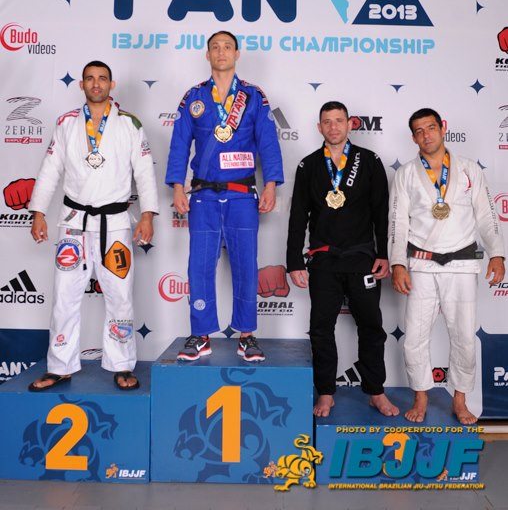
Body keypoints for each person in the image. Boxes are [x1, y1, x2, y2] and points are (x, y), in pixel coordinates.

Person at [28, 60, 159, 391]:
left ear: (112, 85)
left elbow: (144, 171)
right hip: (73, 223)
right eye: (90, 78)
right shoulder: (67, 124)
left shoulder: (129, 124)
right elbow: (50, 169)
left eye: (102, 79)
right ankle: (59, 366)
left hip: (114, 224)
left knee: (120, 296)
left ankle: (121, 364)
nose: (96, 83)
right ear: (82, 84)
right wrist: (38, 211)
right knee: (64, 296)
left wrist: (147, 214)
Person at [165, 30, 283, 362]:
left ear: (237, 54)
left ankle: (247, 335)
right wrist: (177, 186)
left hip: (242, 196)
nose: (221, 52)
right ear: (207, 54)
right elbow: (179, 144)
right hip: (203, 196)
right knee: (199, 266)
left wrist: (271, 184)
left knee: (246, 265)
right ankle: (200, 334)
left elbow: (268, 141)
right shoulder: (194, 97)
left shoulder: (253, 96)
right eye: (215, 47)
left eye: (227, 47)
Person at [389, 108, 505, 424]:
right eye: (418, 131)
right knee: (415, 336)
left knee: (464, 336)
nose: (426, 135)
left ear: (443, 129)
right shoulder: (406, 174)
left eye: (430, 128)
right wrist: (398, 263)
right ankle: (421, 396)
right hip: (422, 263)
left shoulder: (469, 169)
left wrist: (497, 253)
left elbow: (487, 215)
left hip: (462, 263)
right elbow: (397, 223)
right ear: (413, 137)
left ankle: (460, 400)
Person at [286, 101, 399, 418]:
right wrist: (294, 261)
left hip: (362, 258)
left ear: (350, 124)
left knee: (371, 326)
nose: (333, 127)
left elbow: (382, 213)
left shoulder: (370, 161)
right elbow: (298, 217)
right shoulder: (308, 165)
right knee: (321, 329)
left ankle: (376, 391)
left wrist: (384, 254)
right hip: (324, 260)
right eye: (327, 121)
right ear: (319, 127)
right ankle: (325, 392)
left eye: (339, 120)